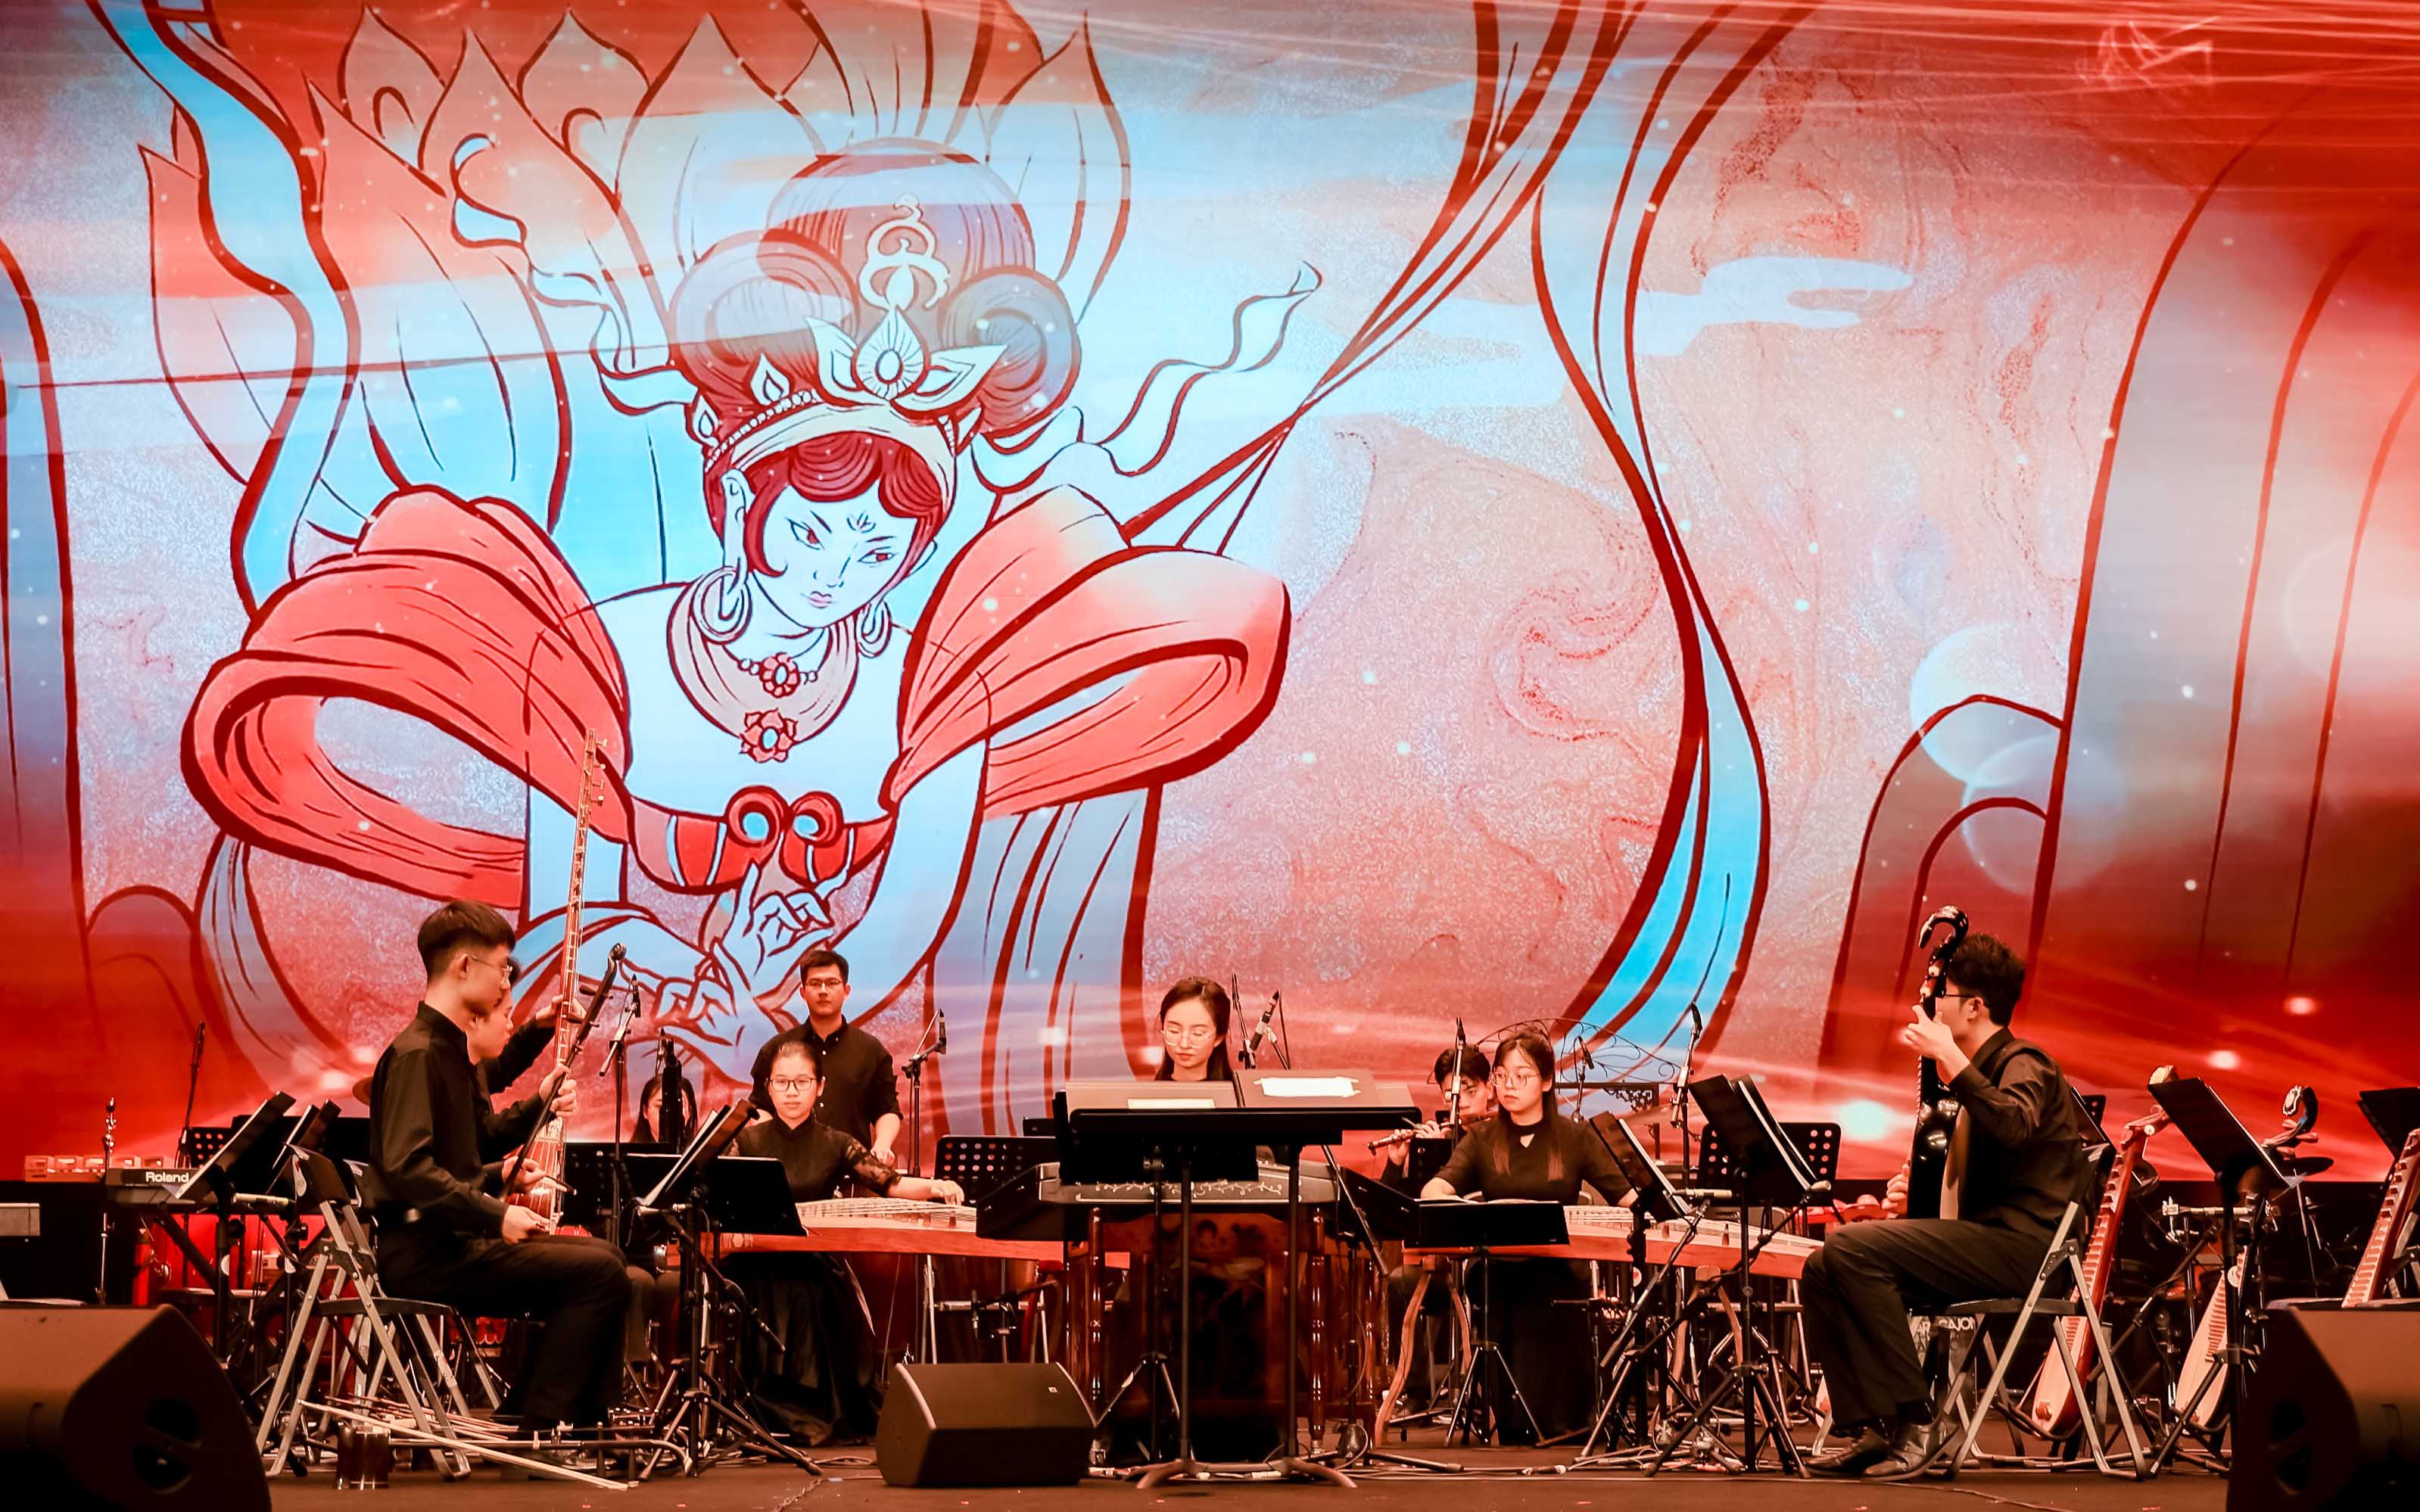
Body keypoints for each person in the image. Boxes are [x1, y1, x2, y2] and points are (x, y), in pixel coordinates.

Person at [1799, 933, 2090, 1478]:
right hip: (1986, 1240)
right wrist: (1918, 1196)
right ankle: (1876, 1427)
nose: (1931, 1006)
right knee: (1821, 1267)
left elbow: (2014, 1125)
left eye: (1943, 996)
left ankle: (1918, 1421)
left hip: (2030, 1250)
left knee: (1851, 1249)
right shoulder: (1973, 1075)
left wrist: (1951, 1058)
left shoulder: (2026, 1062)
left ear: (1975, 1007)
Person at [362, 901, 634, 1433]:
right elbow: (407, 1168)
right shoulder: (419, 1053)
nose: (508, 982)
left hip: (450, 1241)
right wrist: (496, 1215)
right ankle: (543, 1424)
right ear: (465, 967)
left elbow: (480, 1138)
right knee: (601, 1274)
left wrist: (539, 1102)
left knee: (607, 1258)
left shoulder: (445, 1049)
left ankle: (554, 1416)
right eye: (503, 968)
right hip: (426, 1252)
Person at [725, 1035, 963, 1443]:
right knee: (762, 1288)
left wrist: (934, 1187)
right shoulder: (746, 1142)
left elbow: (889, 1182)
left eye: (802, 1082)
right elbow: (720, 1191)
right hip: (757, 1262)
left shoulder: (835, 1142)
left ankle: (811, 1412)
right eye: (782, 1082)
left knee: (813, 1292)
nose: (792, 1092)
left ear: (820, 1087)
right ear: (768, 1088)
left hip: (813, 1262)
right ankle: (759, 1408)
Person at [1421, 1031, 1628, 1442]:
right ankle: (1514, 1422)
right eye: (1502, 1076)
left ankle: (1564, 1421)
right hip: (1499, 1268)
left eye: (1522, 1076)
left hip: (1559, 1268)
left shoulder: (1574, 1137)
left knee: (1547, 1286)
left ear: (1547, 1081)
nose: (1509, 1086)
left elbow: (1626, 1195)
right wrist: (1465, 1210)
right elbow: (1435, 1190)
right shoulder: (1483, 1139)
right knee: (1501, 1285)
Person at [1381, 1045, 1497, 1405]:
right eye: (1451, 1094)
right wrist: (1402, 1162)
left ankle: (1492, 1390)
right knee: (1400, 1283)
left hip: (1492, 1264)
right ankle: (1416, 1390)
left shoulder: (1503, 1135)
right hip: (1446, 1266)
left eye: (1470, 1090)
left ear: (1490, 1087)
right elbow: (1397, 1214)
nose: (1460, 1101)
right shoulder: (1439, 1139)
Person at [746, 950, 902, 1164]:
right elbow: (759, 1107)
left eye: (831, 983)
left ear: (846, 991)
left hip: (851, 1169)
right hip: (788, 1168)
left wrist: (882, 1145)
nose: (823, 991)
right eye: (815, 984)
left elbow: (887, 1109)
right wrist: (771, 1146)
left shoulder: (871, 1051)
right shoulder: (776, 1049)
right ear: (802, 992)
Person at [1154, 978, 1236, 1082]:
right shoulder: (1150, 1091)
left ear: (1218, 1037)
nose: (1184, 1045)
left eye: (1198, 1033)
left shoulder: (1234, 1092)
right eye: (1174, 1031)